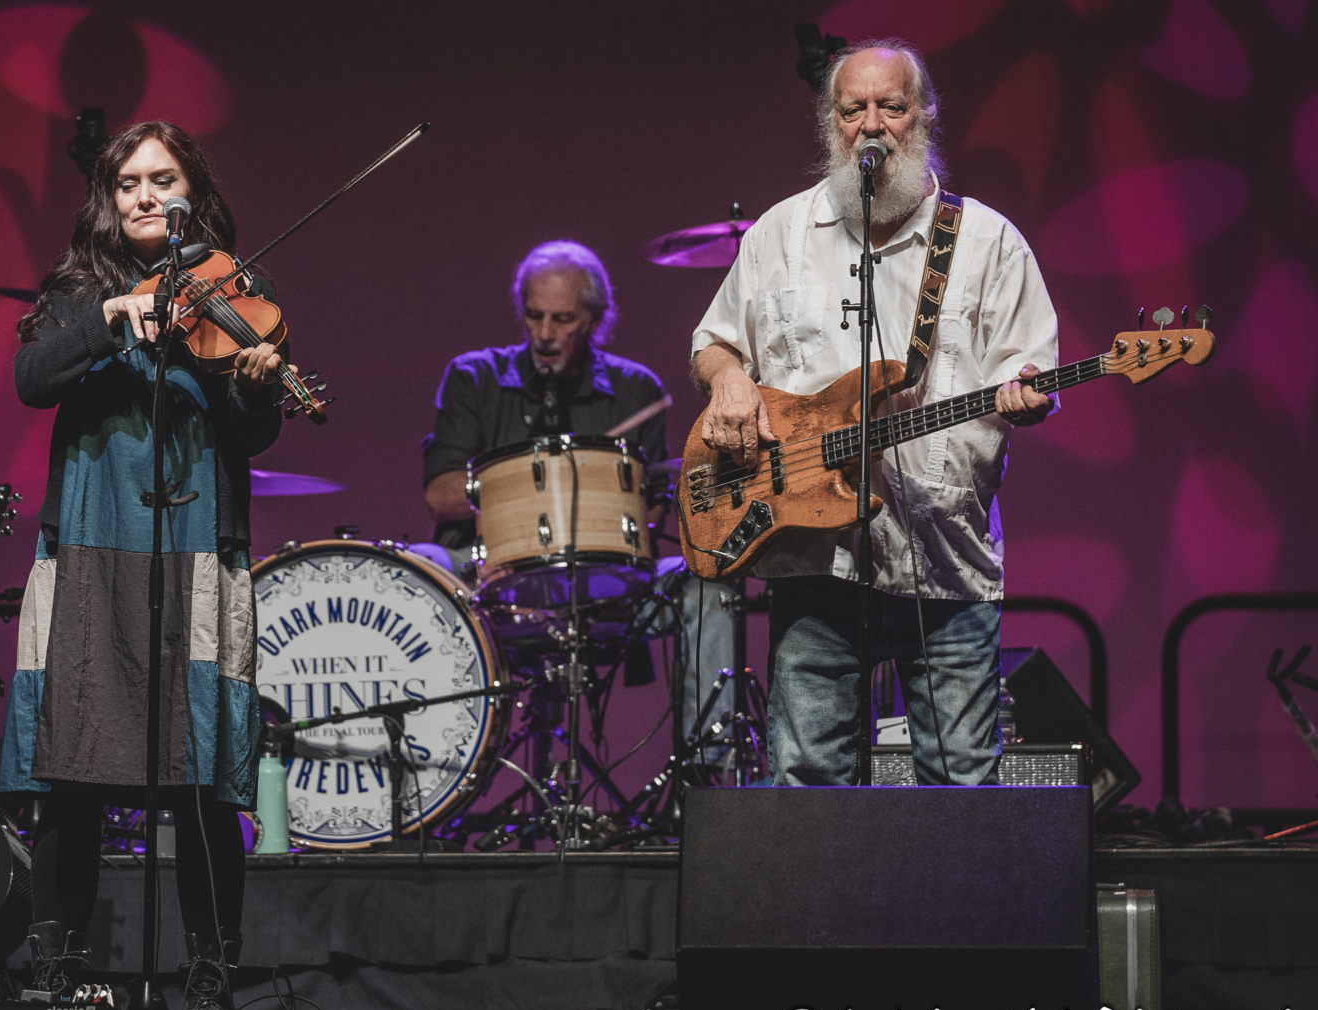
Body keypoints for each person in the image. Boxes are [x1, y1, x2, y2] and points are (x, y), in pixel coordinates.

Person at [689, 40, 1056, 787]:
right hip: (815, 565)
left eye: (890, 106)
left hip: (946, 564)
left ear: (922, 117)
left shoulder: (985, 243)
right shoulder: (780, 235)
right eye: (853, 109)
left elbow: (1030, 366)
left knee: (961, 795)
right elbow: (715, 340)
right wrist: (728, 378)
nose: (871, 125)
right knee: (807, 784)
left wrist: (1026, 393)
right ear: (832, 121)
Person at [1, 120, 290, 1010]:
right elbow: (31, 377)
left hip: (197, 540)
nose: (143, 196)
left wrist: (255, 382)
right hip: (93, 539)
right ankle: (59, 966)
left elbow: (254, 435)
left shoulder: (235, 289)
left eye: (162, 178)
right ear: (107, 196)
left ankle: (209, 972)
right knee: (73, 766)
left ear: (192, 190)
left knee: (201, 769)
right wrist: (115, 314)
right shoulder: (78, 290)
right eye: (127, 182)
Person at [419, 240, 736, 758]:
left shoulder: (637, 389)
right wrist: (515, 502)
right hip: (491, 578)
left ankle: (710, 777)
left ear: (595, 318)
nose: (544, 334)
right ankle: (429, 775)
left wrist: (623, 504)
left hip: (605, 587)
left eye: (562, 319)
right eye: (533, 316)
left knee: (706, 585)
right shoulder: (473, 377)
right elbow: (440, 494)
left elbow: (652, 508)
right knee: (421, 566)